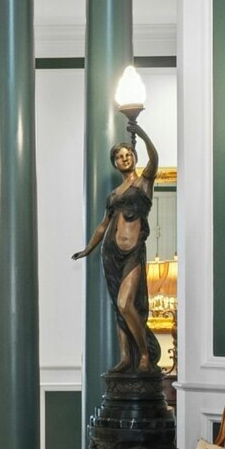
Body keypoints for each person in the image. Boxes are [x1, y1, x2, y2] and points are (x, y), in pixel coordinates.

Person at [73, 118, 162, 374]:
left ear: (134, 157)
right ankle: (125, 357)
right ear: (115, 163)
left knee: (126, 303)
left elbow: (154, 158)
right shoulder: (114, 194)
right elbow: (103, 225)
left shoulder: (143, 183)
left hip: (133, 252)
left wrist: (142, 133)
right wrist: (88, 249)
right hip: (110, 254)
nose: (124, 159)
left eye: (128, 154)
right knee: (117, 306)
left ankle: (145, 355)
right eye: (119, 157)